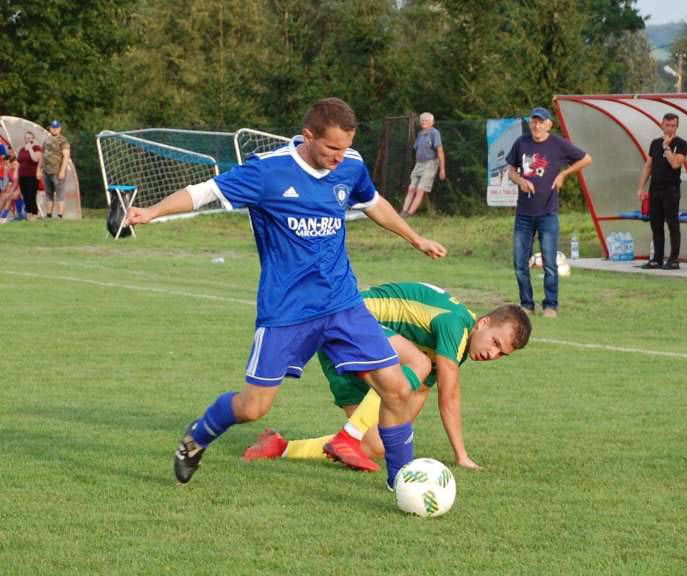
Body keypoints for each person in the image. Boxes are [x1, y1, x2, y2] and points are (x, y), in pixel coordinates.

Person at [125, 98, 448, 489]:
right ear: (308, 136)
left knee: (396, 388)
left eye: (345, 148)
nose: (338, 157)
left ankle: (402, 483)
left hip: (342, 303)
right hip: (287, 311)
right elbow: (203, 192)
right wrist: (151, 212)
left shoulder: (351, 165)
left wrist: (415, 238)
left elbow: (373, 204)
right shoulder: (268, 172)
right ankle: (197, 437)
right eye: (331, 148)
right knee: (253, 407)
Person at [242, 283, 532, 471]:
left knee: (375, 445)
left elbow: (416, 394)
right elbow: (449, 396)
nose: (493, 354)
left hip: (345, 350)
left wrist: (398, 442)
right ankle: (348, 435)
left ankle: (279, 447)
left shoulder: (456, 347)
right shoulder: (456, 325)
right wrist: (461, 456)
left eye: (502, 354)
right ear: (483, 323)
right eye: (495, 342)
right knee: (416, 363)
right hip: (348, 323)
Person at [506, 107, 592, 318]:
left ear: (548, 124)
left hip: (547, 214)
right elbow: (510, 171)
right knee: (520, 264)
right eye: (533, 121)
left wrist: (565, 174)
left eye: (540, 122)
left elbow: (586, 159)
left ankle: (550, 306)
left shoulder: (558, 144)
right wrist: (521, 180)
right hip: (524, 214)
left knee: (550, 264)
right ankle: (526, 304)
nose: (536, 125)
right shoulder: (521, 143)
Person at [636, 113, 687, 270]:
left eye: (674, 126)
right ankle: (657, 259)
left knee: (673, 224)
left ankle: (673, 259)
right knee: (656, 224)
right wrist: (641, 187)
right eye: (668, 125)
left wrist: (667, 147)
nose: (670, 128)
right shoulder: (655, 143)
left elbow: (675, 164)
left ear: (677, 127)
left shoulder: (681, 143)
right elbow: (648, 166)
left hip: (671, 189)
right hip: (655, 189)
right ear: (661, 125)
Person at [400, 112, 446, 217]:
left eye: (426, 120)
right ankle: (403, 211)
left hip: (430, 163)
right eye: (422, 120)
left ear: (432, 122)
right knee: (411, 188)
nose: (423, 122)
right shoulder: (420, 134)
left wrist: (442, 169)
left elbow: (440, 151)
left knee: (420, 189)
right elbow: (417, 149)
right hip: (419, 164)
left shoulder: (435, 133)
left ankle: (409, 214)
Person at [36, 119, 70, 219]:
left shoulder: (63, 140)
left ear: (59, 129)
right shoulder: (46, 140)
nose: (54, 129)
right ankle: (49, 214)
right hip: (47, 171)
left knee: (60, 194)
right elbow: (42, 156)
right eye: (52, 127)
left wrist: (62, 171)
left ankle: (60, 215)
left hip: (57, 172)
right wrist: (39, 169)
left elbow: (66, 156)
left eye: (56, 128)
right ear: (50, 128)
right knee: (48, 194)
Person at [17, 131, 43, 219]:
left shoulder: (37, 148)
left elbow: (35, 159)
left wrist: (30, 149)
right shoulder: (21, 149)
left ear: (33, 139)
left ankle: (35, 213)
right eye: (26, 137)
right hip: (22, 176)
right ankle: (28, 214)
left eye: (29, 138)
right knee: (25, 196)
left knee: (31, 195)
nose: (27, 139)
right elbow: (19, 161)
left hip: (32, 176)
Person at [0, 156, 22, 223]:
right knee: (3, 196)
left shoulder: (19, 171)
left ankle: (3, 216)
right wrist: (6, 172)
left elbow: (16, 184)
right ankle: (2, 216)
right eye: (13, 164)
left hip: (22, 188)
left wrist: (9, 193)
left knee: (9, 196)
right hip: (15, 188)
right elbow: (7, 184)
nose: (15, 165)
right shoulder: (10, 170)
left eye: (16, 164)